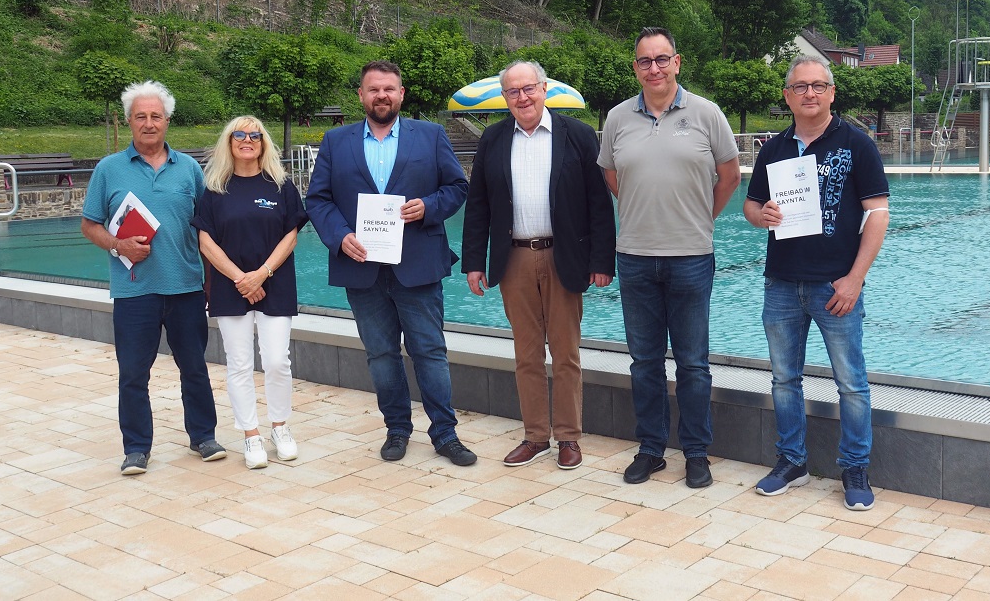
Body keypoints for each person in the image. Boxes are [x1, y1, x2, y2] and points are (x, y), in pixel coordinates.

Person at [305, 61, 476, 466]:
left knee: (430, 352)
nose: (382, 95)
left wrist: (429, 206)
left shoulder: (430, 136)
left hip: (417, 264)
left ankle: (445, 434)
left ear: (401, 94)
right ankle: (397, 429)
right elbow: (318, 199)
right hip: (361, 265)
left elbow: (457, 187)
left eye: (390, 89)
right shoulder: (335, 141)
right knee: (380, 355)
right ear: (361, 95)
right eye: (373, 89)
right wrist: (339, 235)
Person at [743, 55, 889, 511]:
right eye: (800, 86)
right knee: (785, 380)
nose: (810, 93)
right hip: (782, 283)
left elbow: (878, 214)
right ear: (787, 95)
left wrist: (854, 280)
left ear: (831, 92)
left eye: (819, 85)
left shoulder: (857, 144)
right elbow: (751, 207)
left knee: (851, 382)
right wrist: (760, 216)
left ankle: (854, 467)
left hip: (835, 285)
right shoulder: (773, 149)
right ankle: (792, 461)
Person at [597, 27, 741, 489]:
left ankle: (697, 453)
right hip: (635, 257)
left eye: (662, 59)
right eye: (645, 61)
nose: (654, 68)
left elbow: (729, 175)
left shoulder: (707, 113)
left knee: (693, 363)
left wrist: (698, 218)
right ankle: (651, 448)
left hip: (691, 257)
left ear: (677, 62)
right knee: (644, 362)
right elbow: (611, 174)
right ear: (635, 67)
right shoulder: (618, 118)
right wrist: (642, 211)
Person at [461, 60, 616, 470]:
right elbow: (477, 205)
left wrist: (601, 260)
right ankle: (535, 436)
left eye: (529, 88)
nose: (522, 97)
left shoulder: (578, 136)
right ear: (505, 97)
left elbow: (599, 204)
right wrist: (474, 262)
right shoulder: (493, 139)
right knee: (526, 354)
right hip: (513, 259)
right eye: (513, 91)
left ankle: (568, 436)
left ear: (544, 89)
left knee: (565, 353)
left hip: (563, 256)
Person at [81, 80, 225, 475]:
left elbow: (206, 230)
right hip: (134, 292)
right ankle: (137, 448)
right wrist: (118, 246)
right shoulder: (109, 170)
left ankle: (203, 437)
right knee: (132, 374)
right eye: (140, 116)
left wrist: (211, 282)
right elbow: (89, 225)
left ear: (167, 121)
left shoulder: (190, 169)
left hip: (185, 288)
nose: (148, 123)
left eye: (155, 116)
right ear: (129, 121)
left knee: (194, 367)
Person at [192, 117, 308, 470]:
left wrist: (261, 274)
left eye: (254, 135)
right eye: (238, 135)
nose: (247, 140)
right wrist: (241, 278)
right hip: (230, 286)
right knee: (239, 365)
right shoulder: (214, 188)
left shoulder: (281, 185)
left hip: (274, 281)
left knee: (276, 361)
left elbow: (291, 234)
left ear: (263, 142)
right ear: (228, 143)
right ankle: (250, 435)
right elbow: (205, 240)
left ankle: (280, 427)